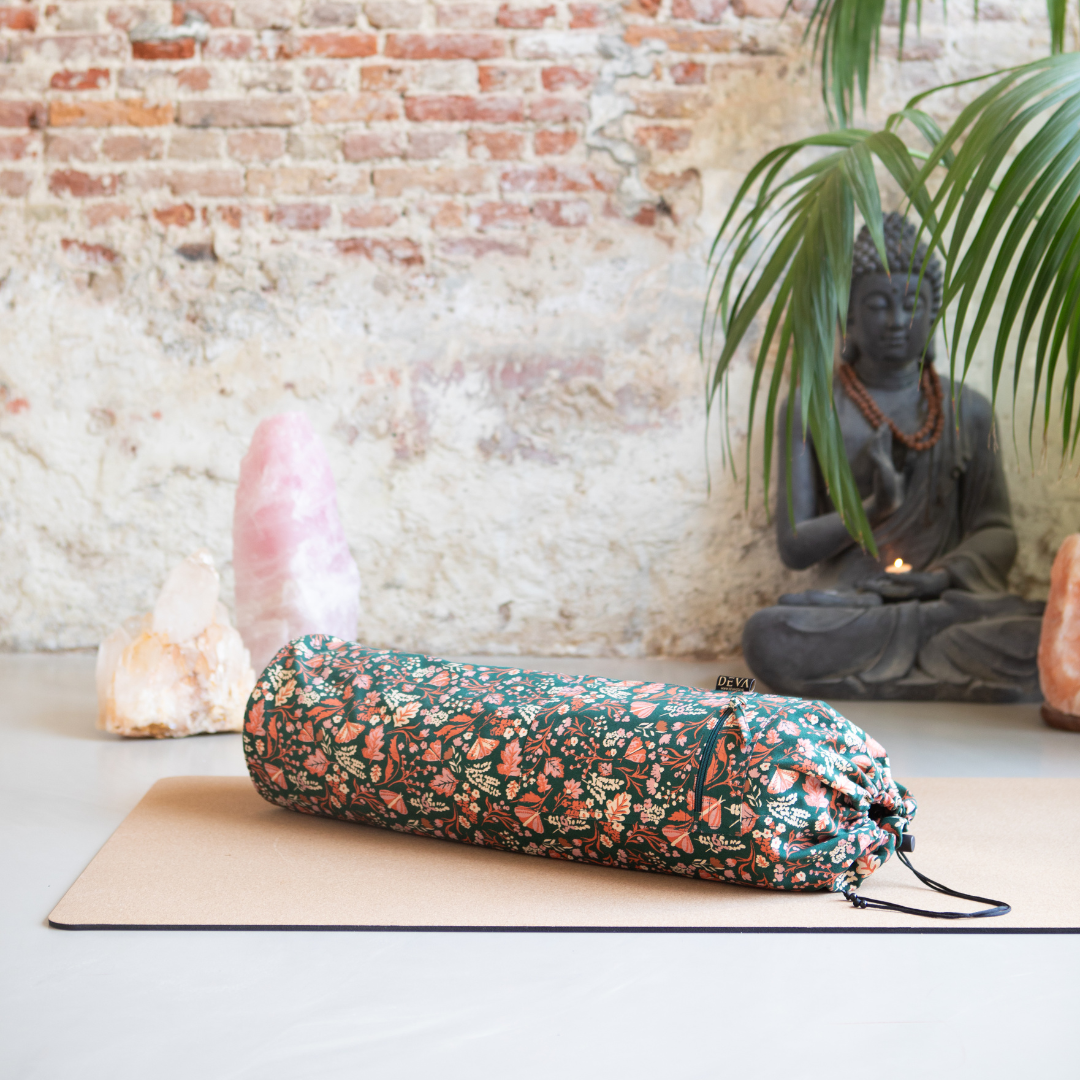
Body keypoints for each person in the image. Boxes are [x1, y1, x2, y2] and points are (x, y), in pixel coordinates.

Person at [742, 213, 1043, 701]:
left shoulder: (968, 409)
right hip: (851, 605)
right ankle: (933, 659)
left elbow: (996, 530)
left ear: (932, 314)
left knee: (1048, 629)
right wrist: (873, 509)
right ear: (849, 317)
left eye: (912, 304)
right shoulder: (810, 408)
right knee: (768, 636)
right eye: (879, 304)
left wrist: (941, 577)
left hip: (945, 602)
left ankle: (910, 651)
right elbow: (795, 547)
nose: (898, 321)